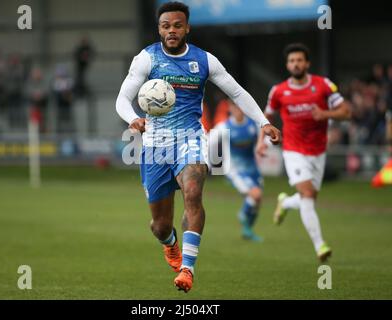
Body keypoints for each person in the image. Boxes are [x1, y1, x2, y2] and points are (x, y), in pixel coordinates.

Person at [116, 1, 281, 293]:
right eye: (166, 26)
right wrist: (133, 120)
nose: (172, 31)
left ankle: (188, 269)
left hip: (191, 138)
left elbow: (236, 91)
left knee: (193, 192)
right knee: (160, 225)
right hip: (155, 147)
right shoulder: (146, 58)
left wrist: (263, 123)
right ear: (159, 28)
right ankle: (170, 244)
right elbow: (123, 98)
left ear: (187, 27)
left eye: (177, 25)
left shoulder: (205, 60)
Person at [257, 43, 351, 262]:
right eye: (292, 61)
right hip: (293, 150)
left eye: (299, 60)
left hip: (318, 151)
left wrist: (326, 113)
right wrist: (261, 142)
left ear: (307, 63)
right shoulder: (278, 91)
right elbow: (266, 116)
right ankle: (320, 246)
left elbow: (346, 112)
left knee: (307, 197)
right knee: (308, 196)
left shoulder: (323, 85)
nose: (295, 64)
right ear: (287, 64)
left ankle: (286, 202)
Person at [211, 99, 264, 242]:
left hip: (253, 169)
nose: (238, 110)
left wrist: (263, 147)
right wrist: (214, 166)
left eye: (240, 107)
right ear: (230, 108)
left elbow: (264, 141)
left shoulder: (254, 125)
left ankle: (247, 230)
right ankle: (242, 216)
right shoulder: (223, 127)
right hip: (235, 171)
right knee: (255, 195)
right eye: (235, 107)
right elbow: (209, 142)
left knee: (257, 202)